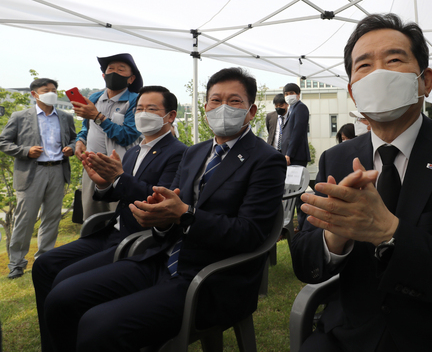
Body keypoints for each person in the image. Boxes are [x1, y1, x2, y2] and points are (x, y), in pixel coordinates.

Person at [291, 13, 432, 351]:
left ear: (424, 81)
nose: (379, 73)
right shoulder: (337, 159)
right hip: (351, 333)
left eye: (394, 60)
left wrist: (390, 233)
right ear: (353, 92)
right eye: (364, 65)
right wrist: (335, 234)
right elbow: (305, 264)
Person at [43, 67, 286, 352]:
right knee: (62, 298)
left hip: (208, 278)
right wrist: (160, 218)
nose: (222, 108)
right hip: (159, 258)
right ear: (205, 106)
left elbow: (251, 233)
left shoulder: (266, 160)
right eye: (215, 101)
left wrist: (184, 215)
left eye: (234, 101)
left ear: (252, 110)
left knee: (100, 325)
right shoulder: (195, 152)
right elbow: (170, 212)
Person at [32, 86, 187, 352]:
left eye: (152, 109)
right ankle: (56, 342)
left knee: (65, 283)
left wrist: (119, 178)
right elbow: (123, 190)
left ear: (170, 116)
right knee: (44, 265)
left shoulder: (179, 153)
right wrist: (104, 184)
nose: (143, 114)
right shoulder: (137, 149)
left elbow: (158, 201)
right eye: (139, 109)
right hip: (111, 230)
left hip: (136, 239)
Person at [0, 78, 76, 279]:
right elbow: (3, 141)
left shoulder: (66, 117)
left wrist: (72, 148)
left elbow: (75, 139)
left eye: (54, 90)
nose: (51, 93)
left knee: (51, 218)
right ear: (34, 94)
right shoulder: (20, 116)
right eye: (46, 90)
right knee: (25, 220)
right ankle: (16, 264)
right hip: (32, 172)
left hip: (58, 170)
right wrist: (25, 150)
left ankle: (44, 260)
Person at [73, 53, 143, 220]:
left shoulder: (135, 101)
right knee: (91, 215)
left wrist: (98, 117)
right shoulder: (94, 98)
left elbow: (128, 135)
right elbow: (86, 127)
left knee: (117, 216)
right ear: (104, 75)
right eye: (110, 69)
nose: (114, 73)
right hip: (92, 166)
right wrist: (80, 141)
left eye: (121, 70)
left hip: (119, 169)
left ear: (131, 79)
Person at [282, 82, 310, 232]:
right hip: (290, 157)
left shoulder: (301, 108)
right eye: (286, 94)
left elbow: (298, 132)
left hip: (296, 156)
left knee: (298, 194)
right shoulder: (292, 109)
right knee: (292, 192)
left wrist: (289, 153)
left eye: (291, 93)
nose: (288, 96)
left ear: (298, 94)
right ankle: (295, 225)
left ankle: (303, 226)